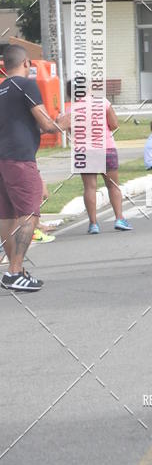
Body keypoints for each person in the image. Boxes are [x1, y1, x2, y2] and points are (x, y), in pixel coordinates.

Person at [0, 44, 70, 291]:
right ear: (27, 63)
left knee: (6, 217)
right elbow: (47, 125)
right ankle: (14, 271)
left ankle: (15, 271)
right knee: (29, 214)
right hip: (20, 158)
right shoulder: (27, 85)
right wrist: (66, 121)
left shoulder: (1, 89)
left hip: (3, 159)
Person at [66, 81, 132, 234]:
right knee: (113, 186)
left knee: (90, 187)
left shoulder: (71, 109)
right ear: (87, 88)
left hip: (84, 151)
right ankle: (119, 218)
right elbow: (114, 124)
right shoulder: (103, 102)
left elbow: (72, 132)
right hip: (106, 148)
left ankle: (93, 224)